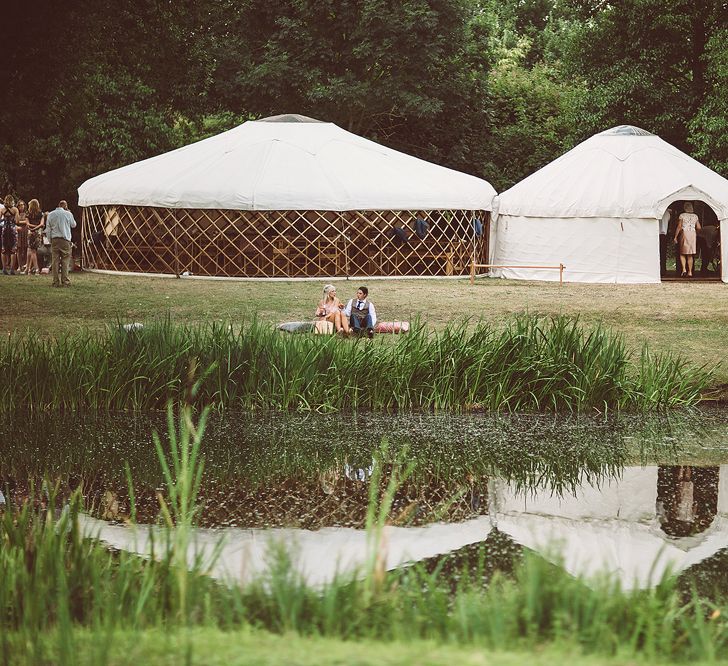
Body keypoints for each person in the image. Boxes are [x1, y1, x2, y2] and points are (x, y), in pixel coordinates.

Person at [46, 199, 77, 287]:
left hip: (55, 239)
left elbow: (48, 229)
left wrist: (50, 239)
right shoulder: (68, 214)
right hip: (65, 239)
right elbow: (74, 225)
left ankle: (55, 282)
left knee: (55, 261)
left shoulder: (51, 214)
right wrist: (70, 213)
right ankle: (65, 281)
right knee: (65, 260)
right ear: (65, 206)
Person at [673, 202, 701, 278]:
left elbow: (679, 226)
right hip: (692, 234)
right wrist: (696, 233)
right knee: (690, 254)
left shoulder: (682, 215)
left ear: (684, 207)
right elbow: (699, 227)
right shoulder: (695, 216)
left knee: (682, 253)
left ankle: (684, 269)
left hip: (684, 233)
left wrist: (675, 236)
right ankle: (690, 272)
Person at [25, 199, 46, 276]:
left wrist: (32, 228)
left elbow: (27, 224)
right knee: (34, 251)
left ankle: (29, 269)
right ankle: (36, 269)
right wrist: (37, 227)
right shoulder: (41, 214)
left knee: (32, 250)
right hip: (38, 233)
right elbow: (42, 224)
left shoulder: (28, 214)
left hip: (30, 232)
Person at [1, 195, 19, 275]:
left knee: (4, 249)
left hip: (4, 229)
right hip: (12, 229)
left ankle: (4, 268)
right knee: (13, 249)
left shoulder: (2, 209)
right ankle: (12, 269)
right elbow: (17, 221)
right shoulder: (15, 209)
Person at [15, 200, 28, 274]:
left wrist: (18, 222)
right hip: (18, 232)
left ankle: (25, 265)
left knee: (26, 248)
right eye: (20, 205)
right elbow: (14, 222)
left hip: (25, 231)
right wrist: (17, 223)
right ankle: (19, 266)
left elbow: (27, 222)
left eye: (22, 205)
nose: (21, 206)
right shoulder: (16, 213)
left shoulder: (26, 213)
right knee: (19, 249)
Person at [659, 207, 671, 277]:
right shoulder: (667, 214)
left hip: (657, 234)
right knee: (663, 253)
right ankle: (663, 270)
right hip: (664, 234)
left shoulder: (657, 211)